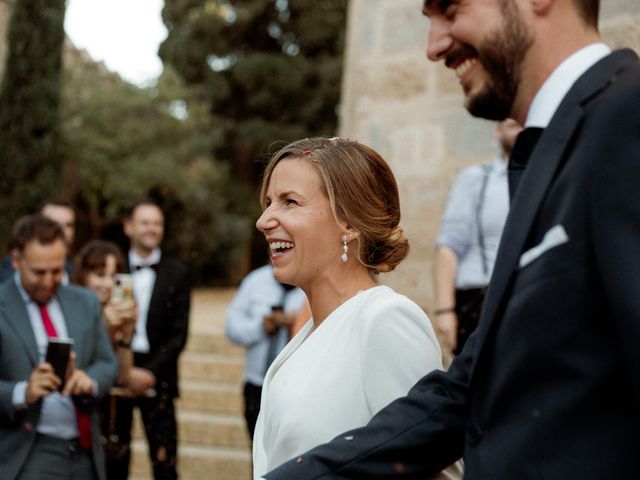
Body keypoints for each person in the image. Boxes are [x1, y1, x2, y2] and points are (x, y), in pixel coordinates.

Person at [260, 0, 640, 478]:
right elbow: (459, 396)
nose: (433, 46)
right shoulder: (548, 153)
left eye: (451, 9)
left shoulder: (628, 118)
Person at [253, 137, 461, 480]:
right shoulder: (304, 340)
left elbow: (434, 465)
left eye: (289, 202)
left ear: (348, 221)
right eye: (269, 202)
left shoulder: (385, 320)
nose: (264, 220)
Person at [0, 214, 118, 480]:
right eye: (38, 272)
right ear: (16, 260)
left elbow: (108, 363)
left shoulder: (85, 301)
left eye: (57, 270)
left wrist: (89, 381)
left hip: (85, 451)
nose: (48, 281)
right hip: (27, 452)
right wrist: (22, 392)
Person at [109, 199, 191, 480]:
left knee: (164, 460)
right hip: (117, 371)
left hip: (159, 375)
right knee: (115, 457)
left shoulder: (177, 273)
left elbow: (179, 335)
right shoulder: (112, 268)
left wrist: (150, 373)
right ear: (128, 226)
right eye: (145, 222)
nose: (152, 229)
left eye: (157, 223)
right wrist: (123, 370)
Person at [433, 119, 521, 354]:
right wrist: (445, 311)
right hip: (480, 301)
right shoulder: (477, 179)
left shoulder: (548, 177)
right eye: (512, 124)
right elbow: (449, 245)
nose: (520, 129)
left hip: (530, 298)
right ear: (497, 130)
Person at [71, 240, 138, 474]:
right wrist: (103, 325)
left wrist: (126, 336)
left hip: (112, 415)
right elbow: (76, 364)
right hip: (78, 415)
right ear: (84, 275)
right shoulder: (70, 308)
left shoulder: (119, 311)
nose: (107, 284)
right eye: (100, 275)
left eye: (114, 276)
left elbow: (124, 376)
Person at [225, 264, 307, 440]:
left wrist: (298, 325)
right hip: (256, 386)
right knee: (257, 454)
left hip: (297, 389)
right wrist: (260, 328)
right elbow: (232, 329)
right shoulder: (255, 281)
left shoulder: (312, 283)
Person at [0, 200, 77, 284]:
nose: (63, 231)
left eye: (68, 225)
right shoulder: (10, 271)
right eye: (54, 224)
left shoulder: (74, 271)